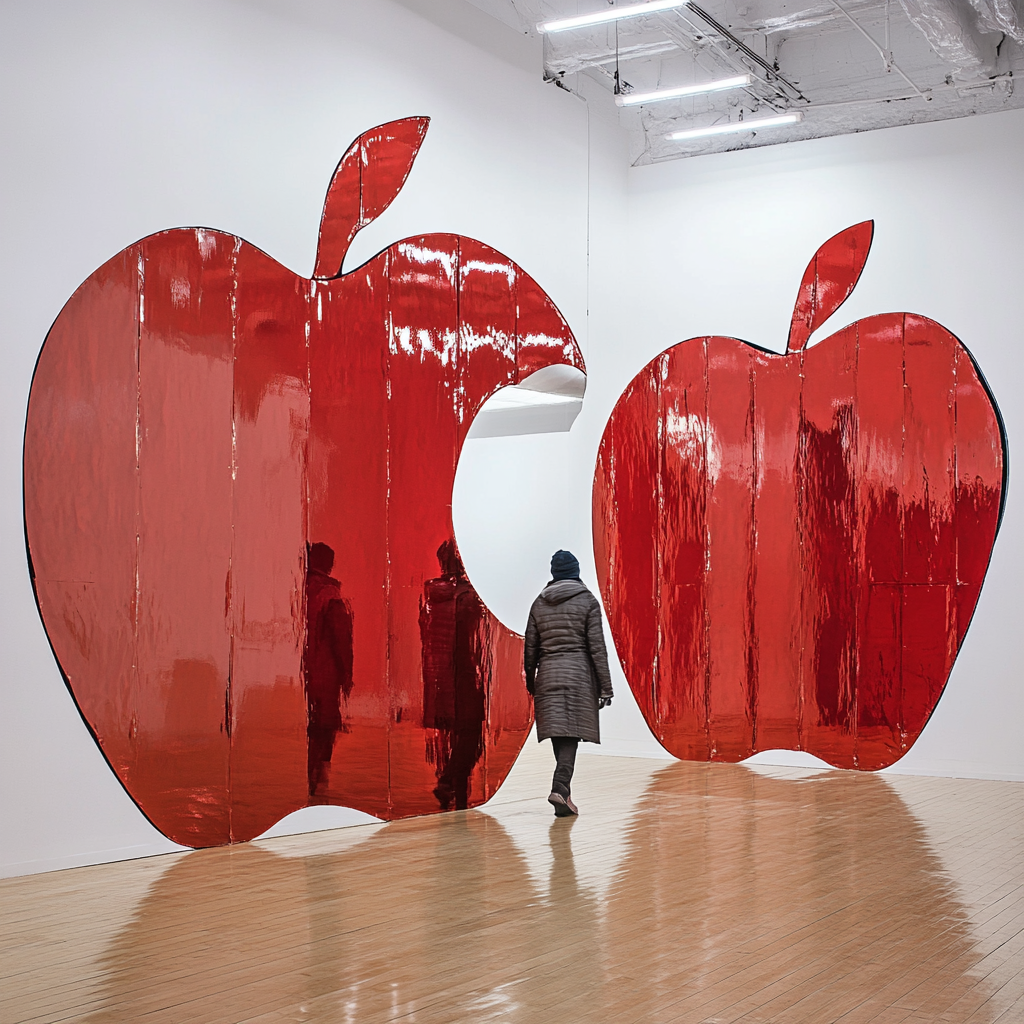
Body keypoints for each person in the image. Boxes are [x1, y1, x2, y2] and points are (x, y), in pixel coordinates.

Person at [524, 550, 614, 817]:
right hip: (578, 677)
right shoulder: (588, 602)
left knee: (560, 732)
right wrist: (605, 687)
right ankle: (560, 789)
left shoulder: (538, 604)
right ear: (576, 572)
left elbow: (530, 649)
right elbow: (597, 649)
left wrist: (531, 681)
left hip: (548, 675)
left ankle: (564, 794)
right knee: (569, 734)